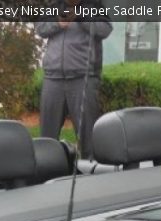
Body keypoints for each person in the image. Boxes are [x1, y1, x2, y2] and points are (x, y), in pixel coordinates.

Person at [36, 2, 112, 161]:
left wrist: (82, 18)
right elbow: (40, 28)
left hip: (82, 78)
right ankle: (46, 169)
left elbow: (105, 29)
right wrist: (58, 23)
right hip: (53, 78)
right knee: (46, 136)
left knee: (88, 135)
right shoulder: (54, 5)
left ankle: (90, 171)